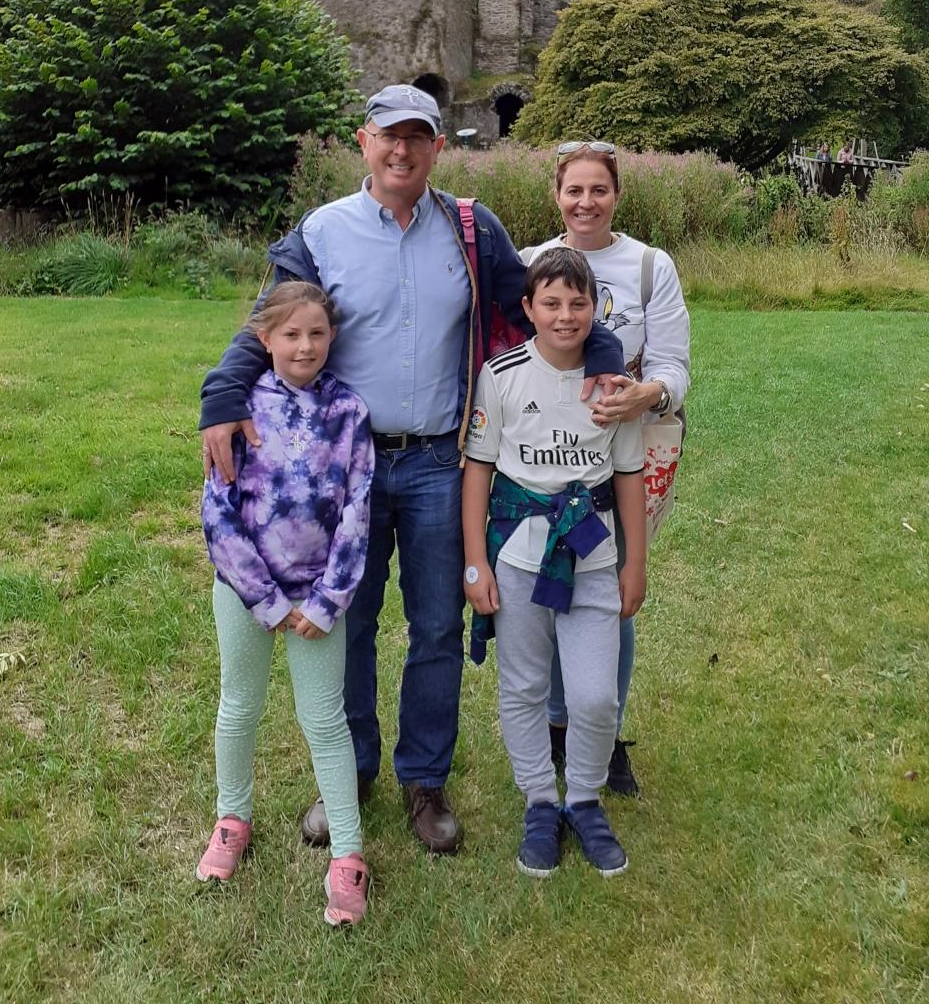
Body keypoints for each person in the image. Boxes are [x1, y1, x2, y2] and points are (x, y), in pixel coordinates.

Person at [199, 84, 625, 855]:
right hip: (346, 473)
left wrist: (599, 354)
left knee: (436, 625)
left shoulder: (470, 229)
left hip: (439, 461)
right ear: (363, 141)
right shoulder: (322, 232)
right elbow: (267, 321)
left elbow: (539, 304)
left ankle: (424, 781)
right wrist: (220, 397)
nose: (402, 151)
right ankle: (352, 772)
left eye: (417, 137)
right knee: (350, 621)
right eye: (388, 136)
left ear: (436, 147)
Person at [462, 247, 646, 878]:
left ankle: (586, 799)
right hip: (515, 555)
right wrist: (474, 564)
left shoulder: (613, 386)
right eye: (551, 303)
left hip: (590, 552)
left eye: (578, 303)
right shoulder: (502, 374)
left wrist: (634, 562)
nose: (565, 316)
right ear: (528, 308)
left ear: (595, 309)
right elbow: (479, 470)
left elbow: (628, 473)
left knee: (595, 696)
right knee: (523, 685)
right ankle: (541, 799)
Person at [198, 281, 373, 926]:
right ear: (264, 339)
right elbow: (218, 512)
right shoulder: (238, 407)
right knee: (238, 704)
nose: (305, 346)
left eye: (317, 334)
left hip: (318, 599)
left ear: (332, 338)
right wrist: (268, 602)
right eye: (291, 334)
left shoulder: (349, 412)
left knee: (324, 720)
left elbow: (358, 513)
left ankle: (349, 855)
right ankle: (231, 818)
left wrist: (325, 602)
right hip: (247, 593)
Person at [528, 140, 690, 798]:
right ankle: (558, 723)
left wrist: (646, 392)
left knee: (614, 594)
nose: (586, 202)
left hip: (627, 453)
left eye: (599, 190)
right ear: (557, 195)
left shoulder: (649, 266)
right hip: (550, 456)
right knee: (553, 583)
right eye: (574, 190)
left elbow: (674, 363)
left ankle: (608, 734)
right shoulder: (530, 262)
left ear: (617, 194)